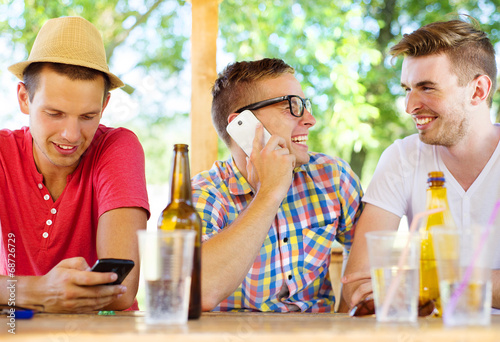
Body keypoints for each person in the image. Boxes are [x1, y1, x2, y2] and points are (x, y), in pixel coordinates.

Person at [341, 18, 500, 313]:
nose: (409, 106)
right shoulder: (402, 158)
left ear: (478, 91)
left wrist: (434, 280)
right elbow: (355, 286)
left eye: (427, 88)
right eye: (407, 89)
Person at [0, 16, 149, 313]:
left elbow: (119, 290)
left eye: (87, 116)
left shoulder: (117, 146)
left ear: (104, 106)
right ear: (24, 98)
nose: (71, 135)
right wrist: (38, 289)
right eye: (54, 113)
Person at [192, 58, 363, 312]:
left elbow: (373, 259)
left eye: (305, 105)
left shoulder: (332, 177)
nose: (310, 120)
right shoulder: (204, 194)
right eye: (292, 107)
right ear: (242, 125)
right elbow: (198, 293)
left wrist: (346, 322)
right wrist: (269, 193)